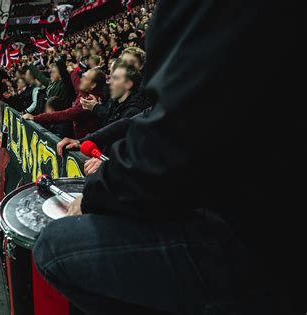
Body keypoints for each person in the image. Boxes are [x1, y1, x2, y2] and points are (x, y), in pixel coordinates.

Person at [33, 1, 306, 315]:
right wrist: (92, 145)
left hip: (256, 240)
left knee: (55, 248)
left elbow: (171, 138)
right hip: (260, 215)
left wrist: (96, 194)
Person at [22, 67, 106, 139]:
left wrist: (35, 118)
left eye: (85, 78)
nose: (81, 79)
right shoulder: (85, 91)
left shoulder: (89, 101)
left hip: (85, 147)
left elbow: (65, 114)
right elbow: (76, 82)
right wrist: (71, 71)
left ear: (93, 85)